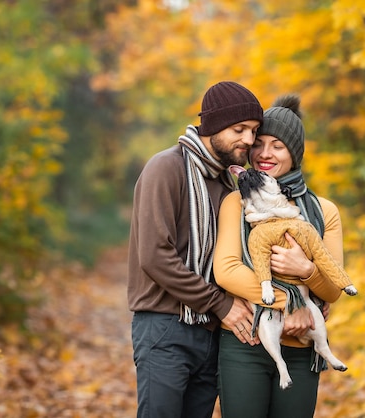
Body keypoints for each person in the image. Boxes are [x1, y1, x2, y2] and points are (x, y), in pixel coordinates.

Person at [128, 81, 264, 418]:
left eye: (254, 131)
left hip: (211, 332)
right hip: (164, 325)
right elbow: (155, 256)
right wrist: (219, 303)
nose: (249, 140)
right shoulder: (166, 168)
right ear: (213, 126)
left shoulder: (227, 182)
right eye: (240, 129)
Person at [213, 94, 346, 417]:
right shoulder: (236, 202)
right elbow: (227, 270)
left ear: (294, 154)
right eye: (258, 143)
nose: (264, 154)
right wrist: (296, 304)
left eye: (277, 146)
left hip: (302, 350)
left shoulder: (324, 211)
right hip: (245, 345)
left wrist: (306, 270)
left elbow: (332, 289)